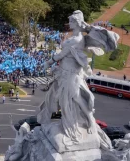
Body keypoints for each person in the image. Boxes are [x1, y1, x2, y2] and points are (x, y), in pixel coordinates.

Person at [40, 10, 119, 142]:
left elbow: (61, 55)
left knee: (72, 100)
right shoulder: (76, 38)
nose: (69, 23)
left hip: (71, 74)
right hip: (64, 72)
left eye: (71, 21)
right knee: (61, 98)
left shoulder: (76, 40)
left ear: (77, 23)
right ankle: (64, 121)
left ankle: (87, 121)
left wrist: (47, 63)